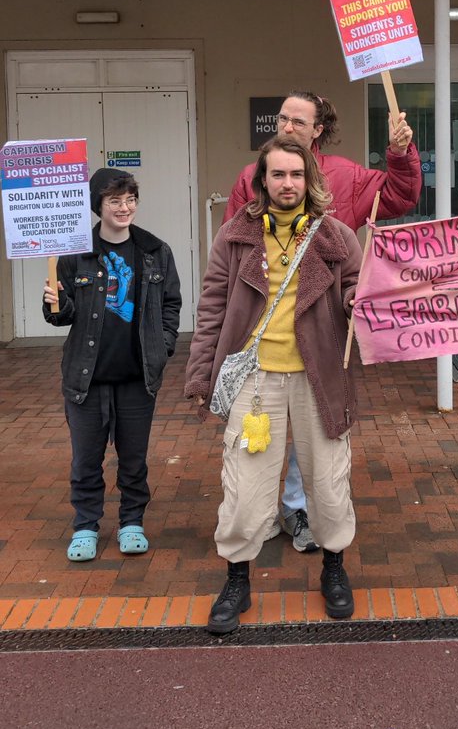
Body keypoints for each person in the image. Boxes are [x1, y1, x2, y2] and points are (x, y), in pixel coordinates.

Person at [224, 89, 422, 553]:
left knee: (316, 429)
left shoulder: (347, 176)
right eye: (283, 119)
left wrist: (399, 153)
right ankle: (259, 511)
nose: (287, 126)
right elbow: (234, 251)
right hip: (265, 330)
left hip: (321, 328)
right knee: (262, 427)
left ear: (319, 130)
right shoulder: (253, 177)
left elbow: (399, 195)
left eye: (299, 121)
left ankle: (299, 506)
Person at [186, 137, 362, 634]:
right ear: (262, 180)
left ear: (310, 180)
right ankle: (237, 579)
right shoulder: (235, 236)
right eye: (278, 175)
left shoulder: (337, 236)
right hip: (254, 379)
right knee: (244, 488)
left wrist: (355, 301)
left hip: (321, 377)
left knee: (327, 481)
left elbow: (357, 287)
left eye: (296, 175)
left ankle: (333, 569)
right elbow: (212, 310)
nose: (288, 184)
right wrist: (201, 373)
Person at [43, 169, 181, 562]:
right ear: (97, 206)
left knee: (133, 459)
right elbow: (60, 316)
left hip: (137, 377)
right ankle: (85, 526)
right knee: (86, 459)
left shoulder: (156, 251)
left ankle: (131, 521)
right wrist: (54, 300)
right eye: (115, 201)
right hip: (86, 379)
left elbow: (171, 304)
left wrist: (163, 345)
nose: (125, 208)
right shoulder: (73, 252)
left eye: (130, 199)